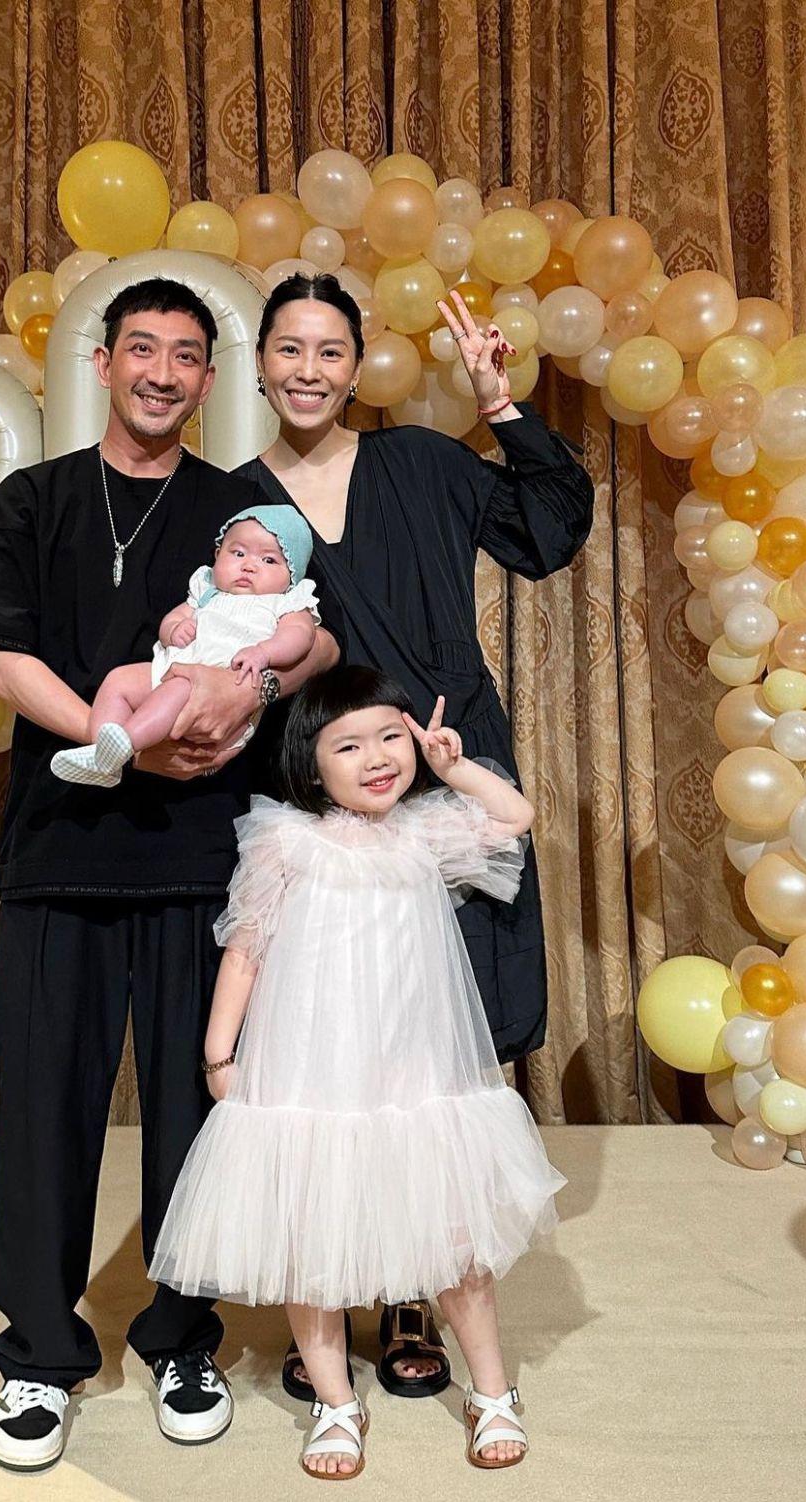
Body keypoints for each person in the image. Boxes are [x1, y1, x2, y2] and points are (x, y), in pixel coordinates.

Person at [0, 276, 339, 1473]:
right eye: (141, 349)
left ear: (210, 379)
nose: (162, 372)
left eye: (185, 355)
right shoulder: (34, 499)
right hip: (61, 852)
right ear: (103, 361)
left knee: (193, 1115)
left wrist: (250, 687)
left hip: (202, 859)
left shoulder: (240, 508)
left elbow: (317, 634)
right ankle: (40, 1354)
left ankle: (181, 1336)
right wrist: (115, 741)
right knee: (42, 1113)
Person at [235, 272, 594, 1405]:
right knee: (328, 1043)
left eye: (330, 351)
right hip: (314, 790)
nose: (309, 370)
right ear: (259, 363)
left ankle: (411, 1297)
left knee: (437, 1044)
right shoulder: (235, 505)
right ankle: (329, 1287)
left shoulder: (425, 463)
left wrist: (499, 404)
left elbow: (547, 530)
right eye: (289, 348)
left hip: (446, 760)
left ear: (357, 366)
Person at [151, 665, 567, 1478]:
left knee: (455, 1238)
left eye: (389, 737)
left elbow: (514, 816)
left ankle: (491, 1390)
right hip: (310, 1070)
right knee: (310, 1239)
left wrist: (455, 768)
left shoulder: (424, 830)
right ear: (310, 765)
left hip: (416, 1068)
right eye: (349, 746)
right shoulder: (285, 840)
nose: (377, 758)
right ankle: (336, 1402)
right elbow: (245, 949)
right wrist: (219, 1054)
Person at [51, 505, 320, 788]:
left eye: (268, 560)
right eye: (238, 553)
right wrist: (173, 630)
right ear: (218, 554)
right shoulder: (207, 591)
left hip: (217, 693)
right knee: (118, 680)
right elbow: (174, 618)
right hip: (172, 669)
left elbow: (301, 636)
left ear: (292, 575)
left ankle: (125, 744)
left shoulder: (285, 601)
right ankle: (102, 756)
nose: (249, 566)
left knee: (179, 685)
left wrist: (265, 652)